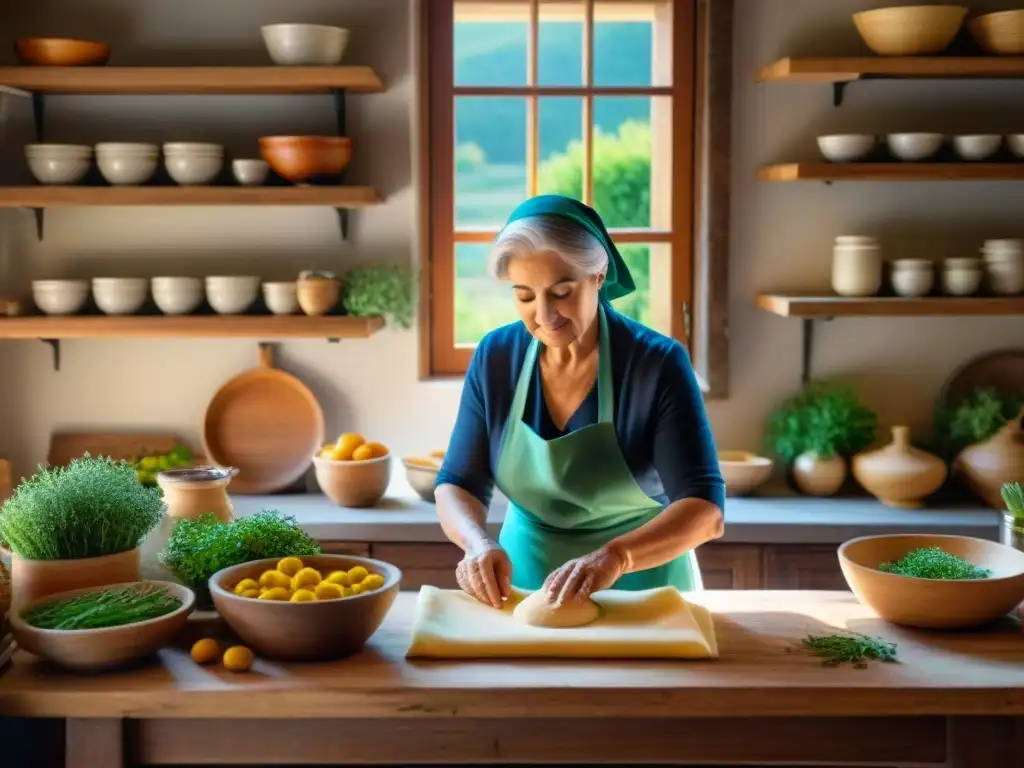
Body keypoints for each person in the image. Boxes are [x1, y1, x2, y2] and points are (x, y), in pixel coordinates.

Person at [434, 194, 725, 610]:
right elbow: (457, 483)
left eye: (562, 291)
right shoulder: (496, 356)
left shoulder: (656, 364)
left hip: (646, 587)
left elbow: (705, 511)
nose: (545, 315)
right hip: (525, 589)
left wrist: (617, 557)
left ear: (599, 275)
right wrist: (476, 543)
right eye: (525, 296)